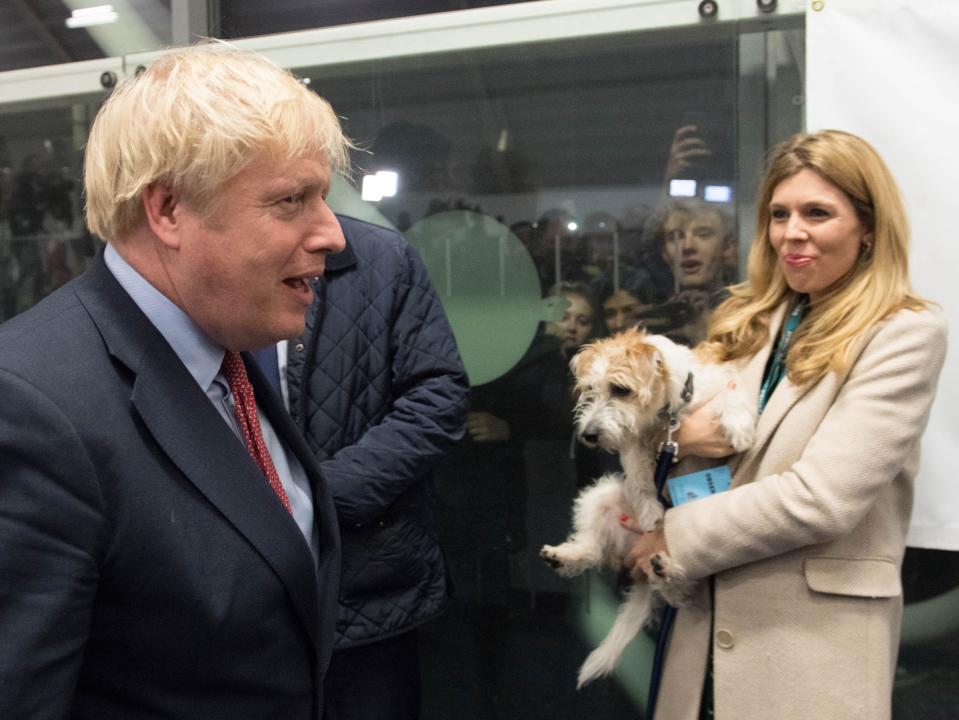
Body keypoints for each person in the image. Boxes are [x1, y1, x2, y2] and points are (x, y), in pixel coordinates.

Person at [0, 42, 348, 718]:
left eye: (323, 198)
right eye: (290, 200)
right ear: (168, 211)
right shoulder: (30, 408)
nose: (332, 233)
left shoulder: (224, 346)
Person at [625, 129, 948, 719]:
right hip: (703, 630)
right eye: (779, 213)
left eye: (817, 213)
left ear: (869, 227)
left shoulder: (903, 333)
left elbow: (823, 497)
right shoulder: (748, 319)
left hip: (810, 643)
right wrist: (673, 439)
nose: (791, 232)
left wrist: (675, 535)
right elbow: (665, 426)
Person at [253, 211, 469, 719]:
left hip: (369, 581)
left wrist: (322, 498)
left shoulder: (379, 256)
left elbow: (439, 395)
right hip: (240, 595)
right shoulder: (206, 260)